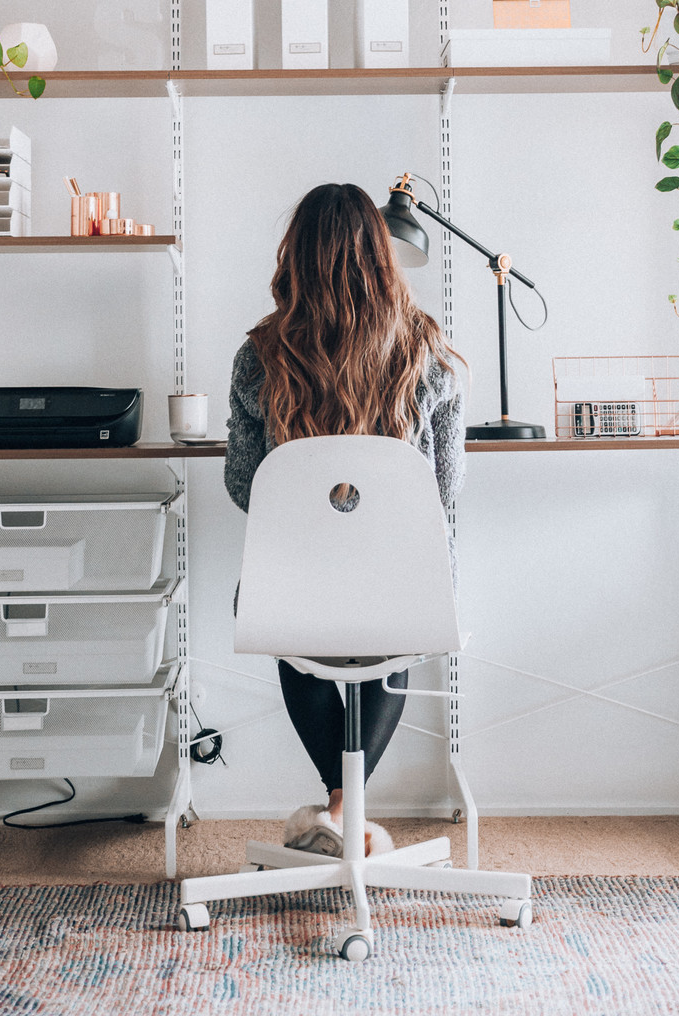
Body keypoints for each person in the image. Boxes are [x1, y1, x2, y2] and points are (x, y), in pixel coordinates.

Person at [223, 182, 466, 857]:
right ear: (383, 257)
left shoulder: (259, 357)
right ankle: (345, 812)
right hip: (402, 591)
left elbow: (246, 487)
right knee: (398, 614)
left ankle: (337, 809)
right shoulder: (430, 356)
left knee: (293, 614)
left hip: (292, 590)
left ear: (293, 258)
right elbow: (443, 497)